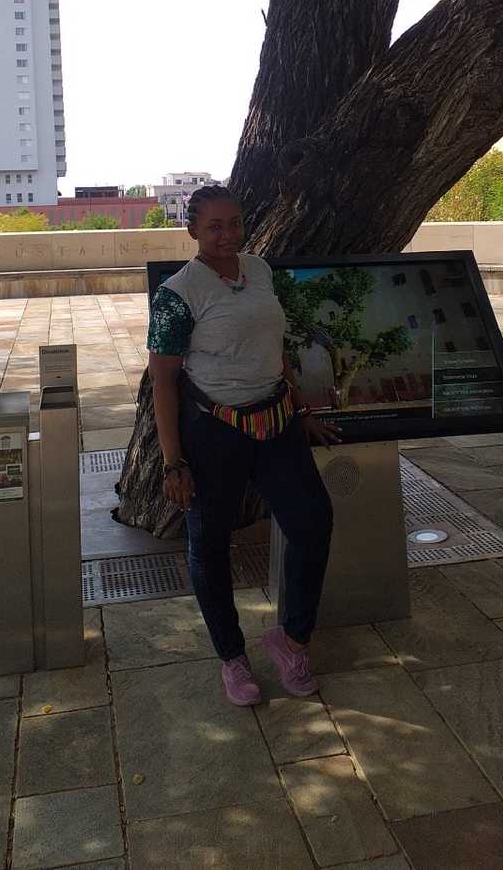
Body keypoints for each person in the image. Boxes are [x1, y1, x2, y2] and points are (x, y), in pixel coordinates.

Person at [147, 184, 339, 706]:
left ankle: (292, 639)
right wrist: (173, 462)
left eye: (234, 223)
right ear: (192, 231)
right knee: (209, 545)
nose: (227, 235)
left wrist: (298, 410)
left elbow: (272, 348)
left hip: (276, 421)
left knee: (312, 523)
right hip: (213, 431)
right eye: (214, 227)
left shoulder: (261, 271)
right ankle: (232, 657)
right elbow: (164, 383)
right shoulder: (177, 295)